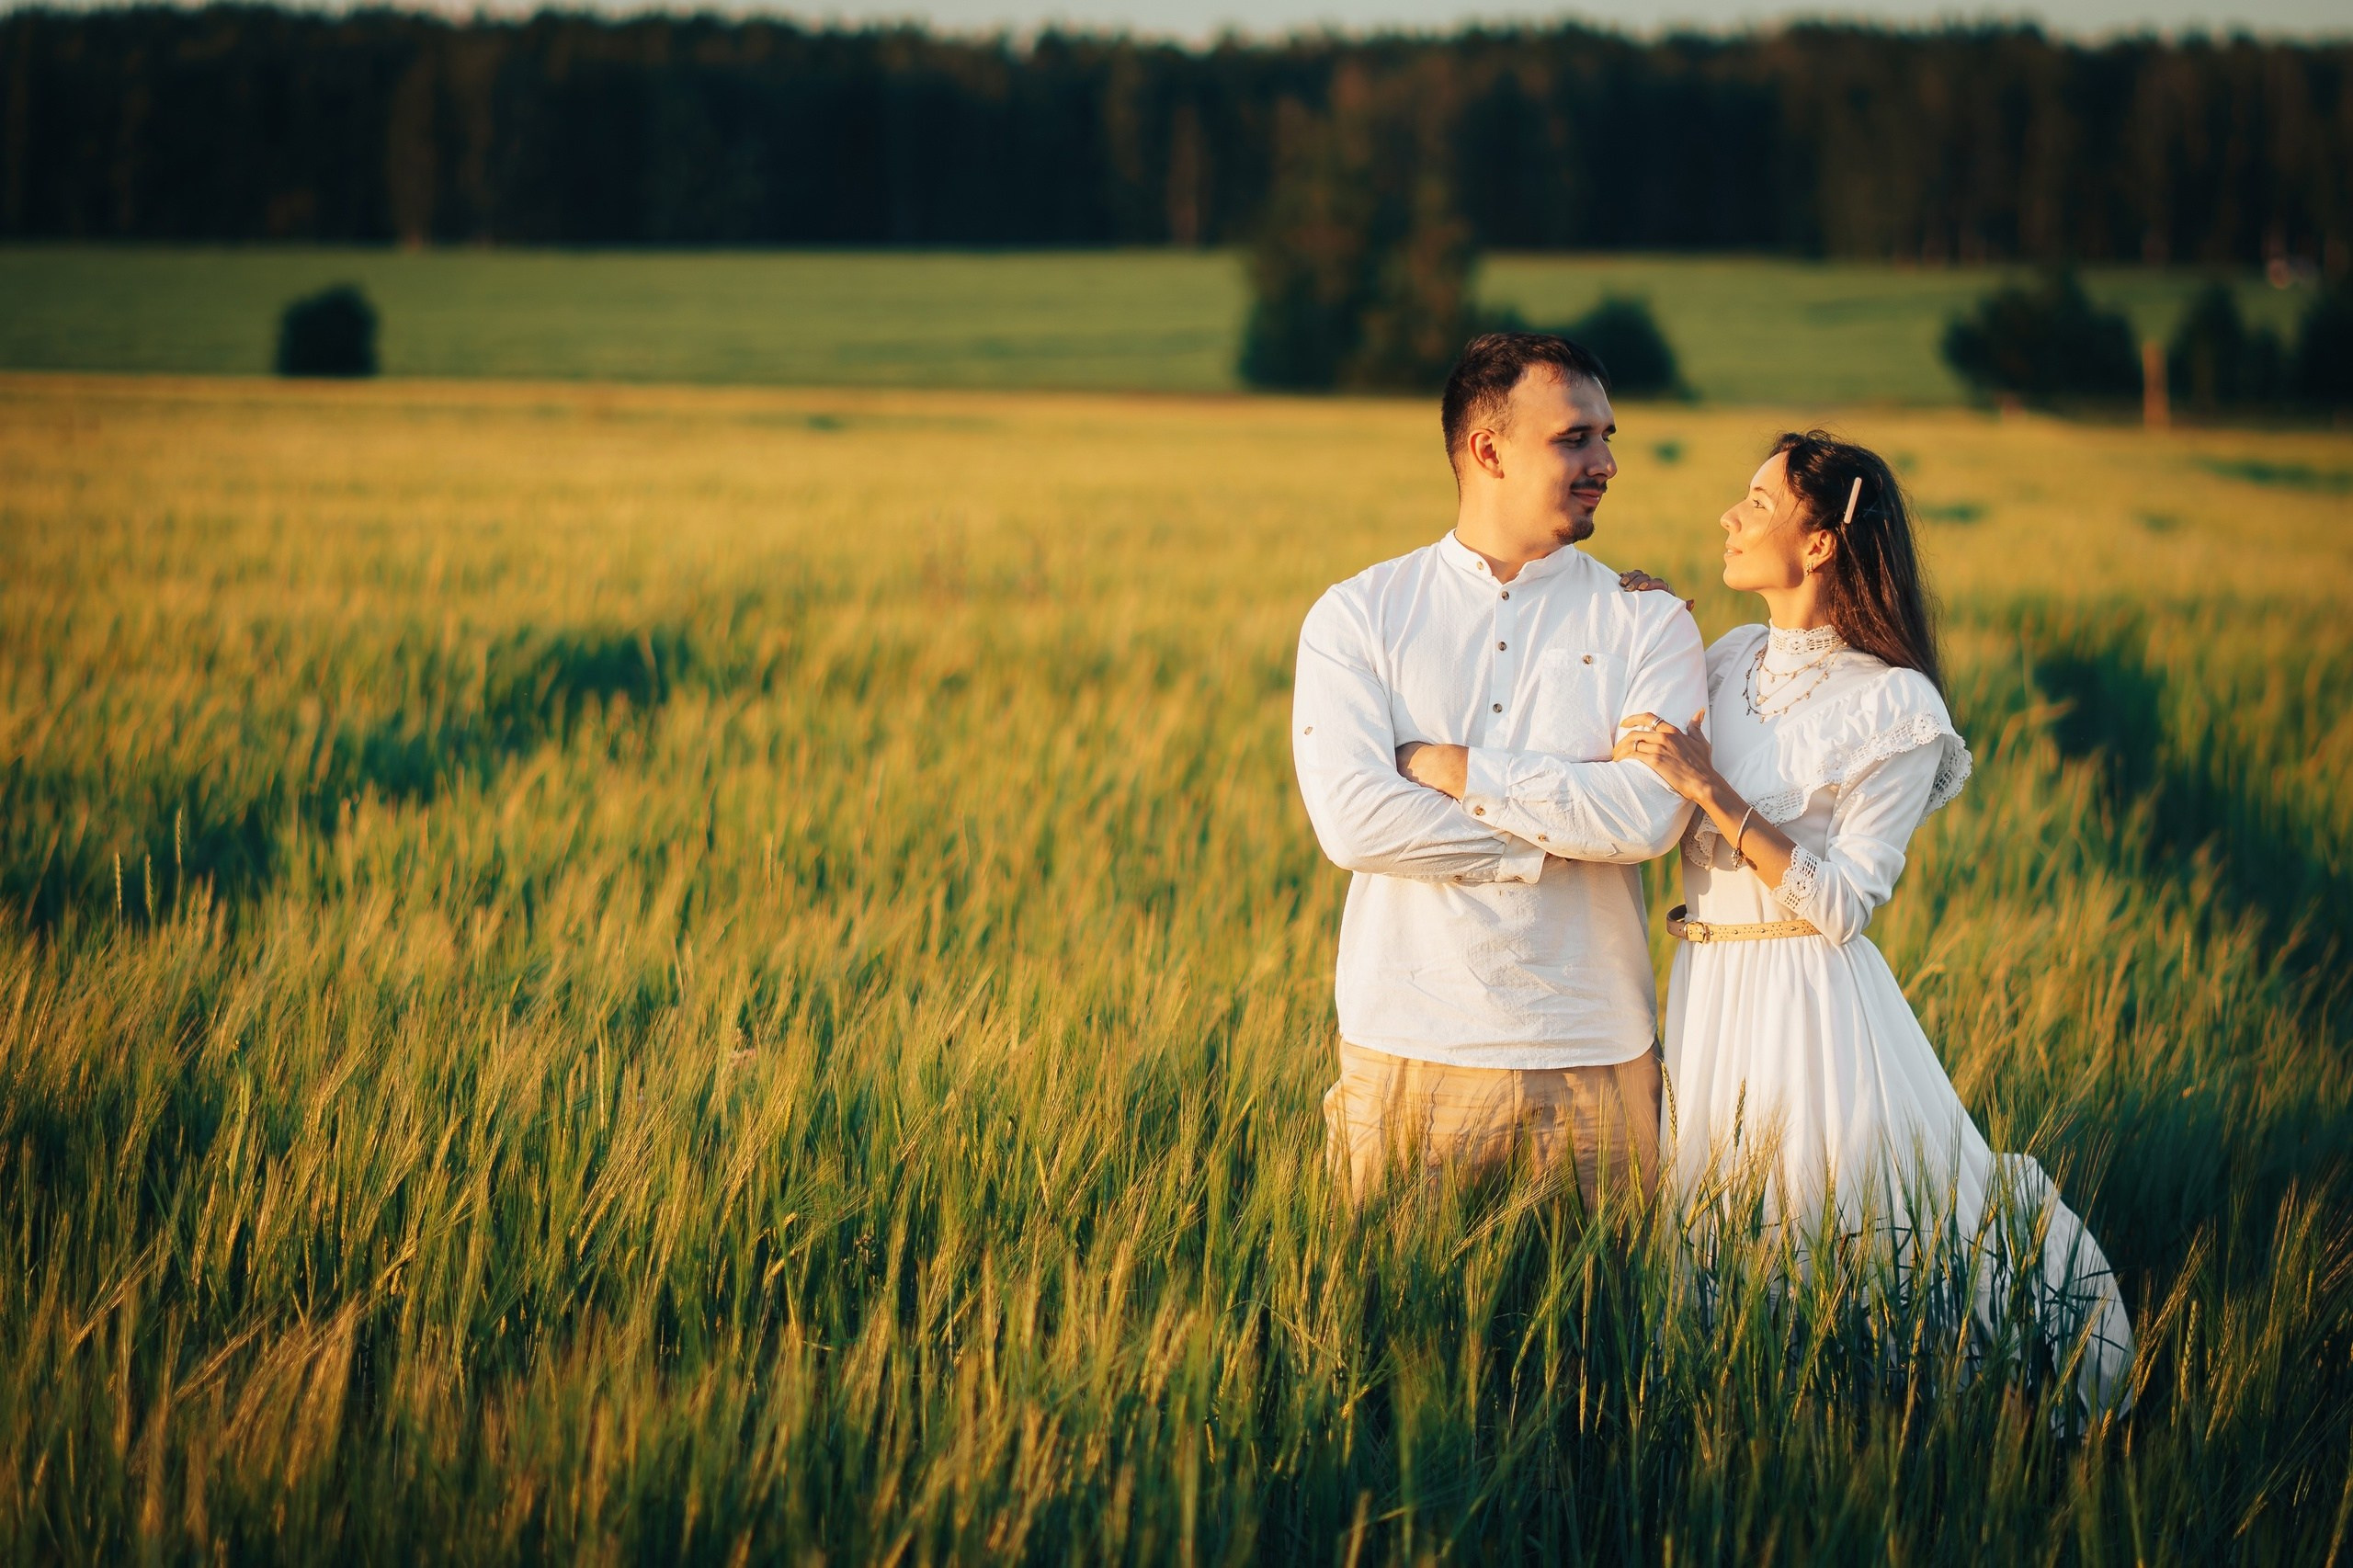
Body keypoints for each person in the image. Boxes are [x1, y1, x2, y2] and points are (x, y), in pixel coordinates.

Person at [1612, 429, 2134, 1416]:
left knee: (1828, 1224)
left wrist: (1713, 789)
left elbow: (1845, 902)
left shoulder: (1894, 704)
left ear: (1818, 543)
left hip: (1807, 1003)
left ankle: (1892, 1426)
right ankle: (1748, 1427)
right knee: (1717, 1230)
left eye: (1757, 502)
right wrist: (1634, 627)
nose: (1729, 515)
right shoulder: (1723, 657)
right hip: (1706, 990)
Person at [1291, 332, 1705, 1210]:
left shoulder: (1652, 622)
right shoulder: (1358, 615)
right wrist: (1564, 834)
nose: (1606, 462)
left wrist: (1457, 770)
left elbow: (1646, 820)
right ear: (1488, 451)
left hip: (1598, 1057)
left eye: (1607, 436)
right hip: (1406, 1048)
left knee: (1610, 1303)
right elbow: (1355, 825)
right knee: (1382, 1302)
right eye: (1574, 438)